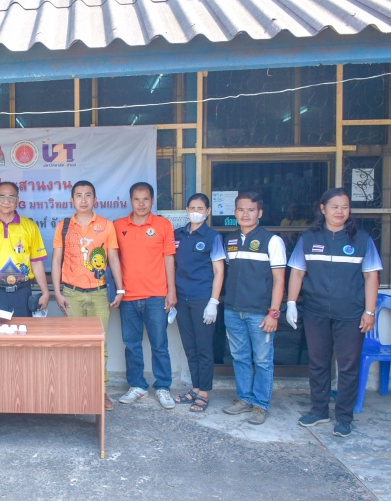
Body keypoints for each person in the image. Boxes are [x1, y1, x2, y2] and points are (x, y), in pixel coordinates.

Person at [287, 188, 381, 437]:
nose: (340, 211)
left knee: (348, 366)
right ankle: (319, 410)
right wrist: (291, 303)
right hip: (316, 311)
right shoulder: (309, 238)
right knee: (318, 362)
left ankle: (344, 417)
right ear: (323, 209)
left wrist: (370, 311)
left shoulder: (362, 239)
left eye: (345, 207)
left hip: (351, 314)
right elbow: (297, 272)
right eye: (334, 206)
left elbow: (371, 276)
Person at [52, 180, 123, 411]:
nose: (83, 200)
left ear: (95, 199)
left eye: (88, 195)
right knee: (75, 344)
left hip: (99, 293)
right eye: (79, 195)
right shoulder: (63, 226)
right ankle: (77, 391)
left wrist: (120, 289)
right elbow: (56, 260)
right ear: (72, 200)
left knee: (100, 344)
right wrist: (57, 292)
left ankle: (101, 391)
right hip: (72, 294)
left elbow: (113, 259)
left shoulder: (106, 225)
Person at [221, 191, 286, 425]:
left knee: (262, 360)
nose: (245, 214)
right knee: (240, 357)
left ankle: (260, 404)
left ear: (260, 213)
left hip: (260, 312)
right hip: (233, 310)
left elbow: (279, 279)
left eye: (250, 209)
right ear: (235, 212)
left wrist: (274, 312)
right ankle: (244, 399)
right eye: (241, 209)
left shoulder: (272, 240)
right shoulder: (230, 240)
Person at [114, 182, 178, 409]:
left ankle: (163, 387)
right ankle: (137, 386)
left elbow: (169, 258)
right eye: (137, 199)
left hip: (156, 296)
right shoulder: (118, 226)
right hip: (128, 297)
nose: (141, 204)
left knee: (159, 344)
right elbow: (112, 260)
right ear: (130, 201)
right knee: (131, 344)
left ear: (152, 201)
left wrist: (171, 291)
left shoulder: (163, 225)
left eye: (146, 199)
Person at [172, 193, 225, 413]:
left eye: (200, 208)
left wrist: (213, 301)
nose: (196, 212)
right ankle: (195, 388)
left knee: (203, 348)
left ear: (208, 211)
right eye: (192, 208)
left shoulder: (213, 237)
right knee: (190, 347)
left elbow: (219, 271)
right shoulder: (178, 235)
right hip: (181, 298)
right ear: (187, 210)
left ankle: (204, 393)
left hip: (202, 298)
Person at [0, 181, 49, 316]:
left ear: (17, 200)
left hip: (22, 293)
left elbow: (36, 262)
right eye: (2, 197)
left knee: (23, 328)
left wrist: (45, 292)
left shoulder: (30, 227)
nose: (6, 201)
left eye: (11, 197)